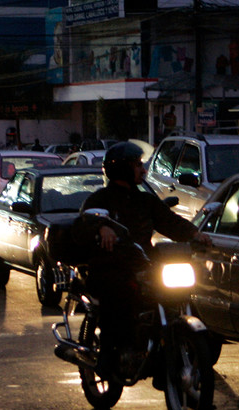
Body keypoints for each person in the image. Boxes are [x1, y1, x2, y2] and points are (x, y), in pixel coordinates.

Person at [79, 142, 212, 370]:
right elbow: (83, 221)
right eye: (137, 165)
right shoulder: (101, 199)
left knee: (177, 295)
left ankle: (167, 349)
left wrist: (195, 234)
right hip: (111, 267)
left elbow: (169, 221)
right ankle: (108, 357)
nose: (143, 170)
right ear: (122, 168)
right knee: (119, 299)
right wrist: (101, 227)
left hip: (143, 265)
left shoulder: (145, 200)